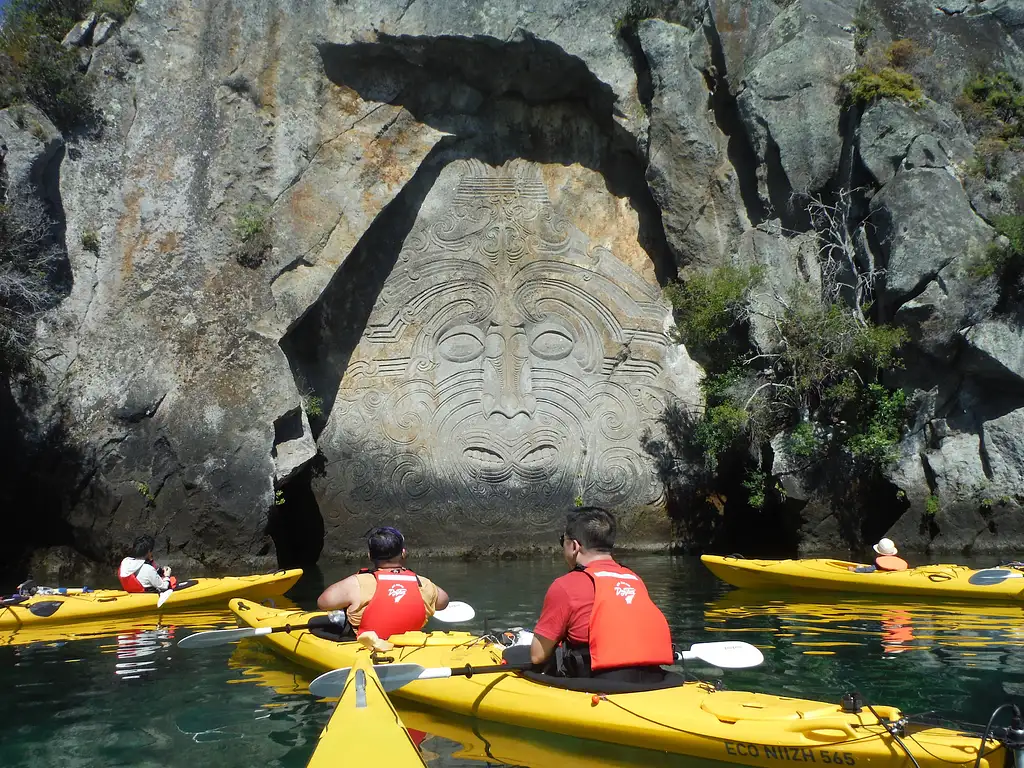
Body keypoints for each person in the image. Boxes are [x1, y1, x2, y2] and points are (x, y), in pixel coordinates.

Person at [530, 506, 674, 682]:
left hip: (603, 686)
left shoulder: (565, 586)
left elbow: (537, 655)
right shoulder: (634, 579)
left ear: (574, 546)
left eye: (563, 541)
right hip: (654, 680)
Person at [317, 526, 449, 639]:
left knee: (317, 625)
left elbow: (323, 602)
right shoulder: (422, 583)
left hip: (368, 647)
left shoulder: (357, 583)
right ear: (403, 553)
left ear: (370, 556)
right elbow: (443, 602)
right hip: (410, 645)